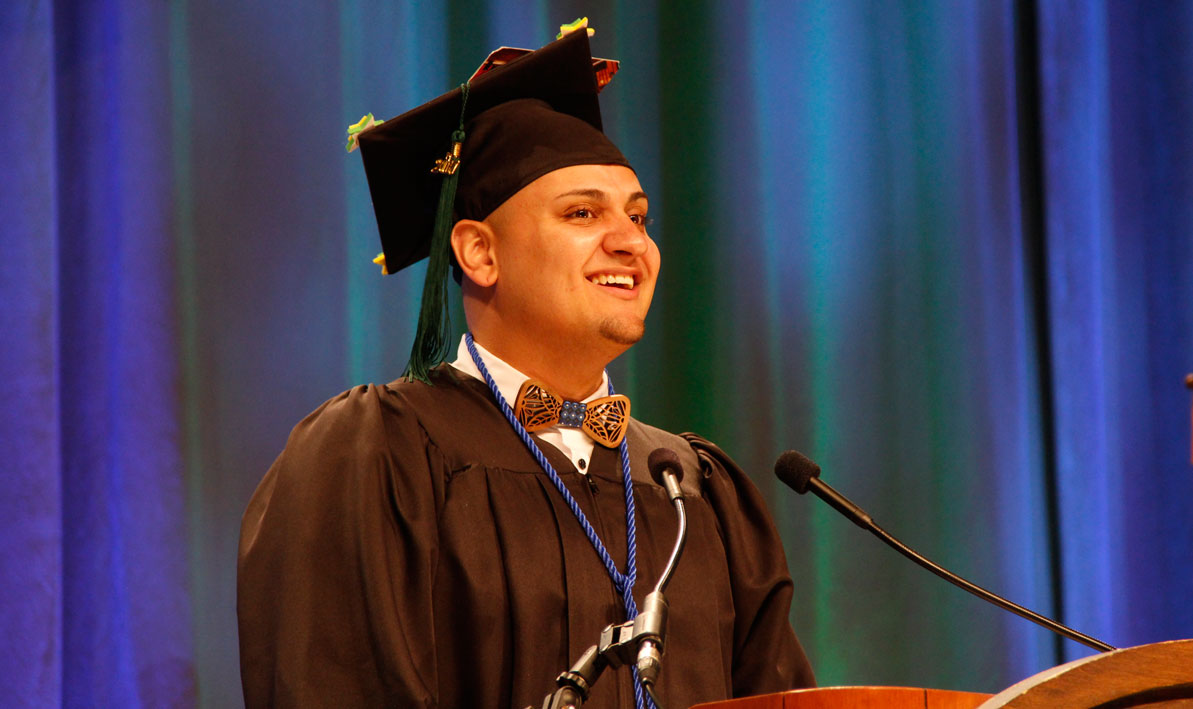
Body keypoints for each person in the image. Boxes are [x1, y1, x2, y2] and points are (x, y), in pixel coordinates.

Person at [237, 25, 814, 709]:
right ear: (480, 253)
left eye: (639, 216)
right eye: (581, 213)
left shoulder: (695, 490)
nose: (631, 242)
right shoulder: (374, 456)